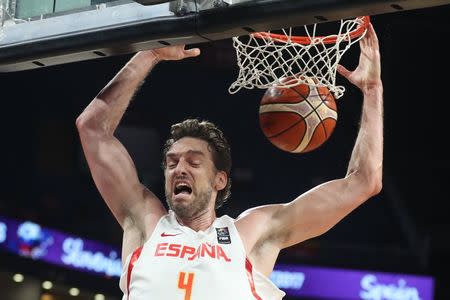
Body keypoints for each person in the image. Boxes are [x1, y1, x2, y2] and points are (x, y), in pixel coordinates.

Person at [76, 23, 383, 300]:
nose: (179, 168)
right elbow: (91, 127)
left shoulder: (252, 233)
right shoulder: (145, 222)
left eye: (193, 162)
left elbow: (364, 181)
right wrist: (150, 54)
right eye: (171, 163)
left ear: (219, 180)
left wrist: (372, 90)